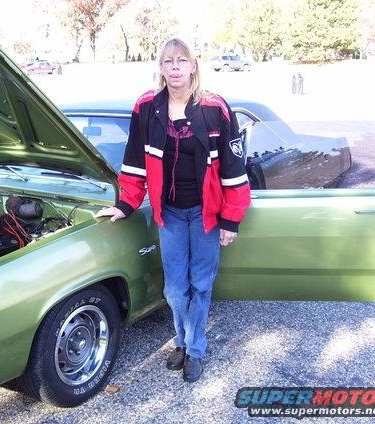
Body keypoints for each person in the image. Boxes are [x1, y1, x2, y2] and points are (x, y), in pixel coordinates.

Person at [95, 38, 251, 382]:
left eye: (182, 61)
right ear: (161, 68)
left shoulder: (214, 107)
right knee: (175, 289)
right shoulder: (147, 107)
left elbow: (234, 167)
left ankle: (194, 348)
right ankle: (183, 340)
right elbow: (134, 161)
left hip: (206, 213)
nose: (175, 67)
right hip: (170, 214)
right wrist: (125, 204)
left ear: (194, 65)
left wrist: (231, 219)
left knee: (201, 284)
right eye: (168, 62)